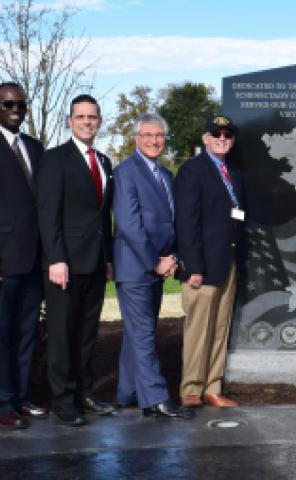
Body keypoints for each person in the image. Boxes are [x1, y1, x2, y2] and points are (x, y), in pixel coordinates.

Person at [38, 94, 115, 426]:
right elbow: (47, 213)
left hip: (95, 263)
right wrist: (56, 258)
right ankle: (63, 399)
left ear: (99, 121)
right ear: (69, 121)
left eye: (92, 116)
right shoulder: (55, 159)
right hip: (64, 265)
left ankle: (84, 392)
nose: (87, 121)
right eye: (80, 116)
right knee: (61, 334)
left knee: (86, 334)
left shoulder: (104, 161)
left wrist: (108, 259)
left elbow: (103, 218)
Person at [112, 113, 193, 420]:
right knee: (144, 333)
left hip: (159, 265)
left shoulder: (166, 175)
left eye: (159, 135)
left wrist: (172, 256)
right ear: (136, 138)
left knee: (138, 332)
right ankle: (155, 399)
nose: (154, 141)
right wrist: (154, 262)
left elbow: (173, 222)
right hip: (135, 267)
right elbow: (130, 225)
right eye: (147, 135)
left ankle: (128, 392)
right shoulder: (126, 172)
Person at [173, 115, 244, 408]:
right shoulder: (192, 170)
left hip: (228, 262)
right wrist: (194, 267)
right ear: (205, 138)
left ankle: (212, 387)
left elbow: (237, 215)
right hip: (202, 267)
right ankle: (191, 389)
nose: (222, 138)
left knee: (218, 329)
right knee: (199, 330)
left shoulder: (233, 173)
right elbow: (186, 223)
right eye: (216, 134)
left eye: (227, 134)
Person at [0, 82, 47, 429]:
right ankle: (3, 403)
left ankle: (21, 396)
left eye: (21, 103)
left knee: (26, 332)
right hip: (4, 261)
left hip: (34, 260)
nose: (16, 108)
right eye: (8, 103)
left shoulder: (34, 146)